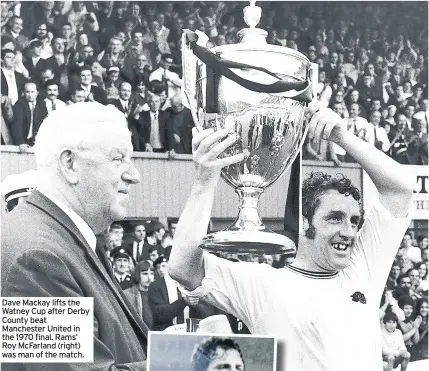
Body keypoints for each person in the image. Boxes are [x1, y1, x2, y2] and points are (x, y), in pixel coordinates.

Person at [169, 100, 413, 371]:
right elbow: (182, 267)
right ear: (305, 222)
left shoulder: (364, 269)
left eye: (355, 221)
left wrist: (341, 136)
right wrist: (204, 182)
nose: (349, 231)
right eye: (334, 218)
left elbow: (399, 189)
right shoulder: (262, 284)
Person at [1, 102, 148, 370]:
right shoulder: (35, 258)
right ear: (70, 164)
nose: (134, 175)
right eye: (118, 159)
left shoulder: (58, 238)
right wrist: (184, 360)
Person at [148, 255, 199, 331]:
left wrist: (195, 305)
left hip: (191, 332)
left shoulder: (195, 283)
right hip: (167, 333)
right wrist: (183, 301)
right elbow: (159, 314)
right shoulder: (156, 286)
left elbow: (207, 313)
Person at [11, 82, 48, 151]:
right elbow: (17, 125)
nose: (30, 95)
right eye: (27, 92)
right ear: (23, 93)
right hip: (23, 140)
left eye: (32, 92)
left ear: (37, 93)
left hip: (36, 141)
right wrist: (20, 142)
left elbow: (45, 123)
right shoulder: (19, 104)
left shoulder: (42, 104)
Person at [124, 260, 155, 329]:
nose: (149, 278)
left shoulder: (157, 294)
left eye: (152, 274)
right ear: (138, 274)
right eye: (145, 274)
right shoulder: (127, 294)